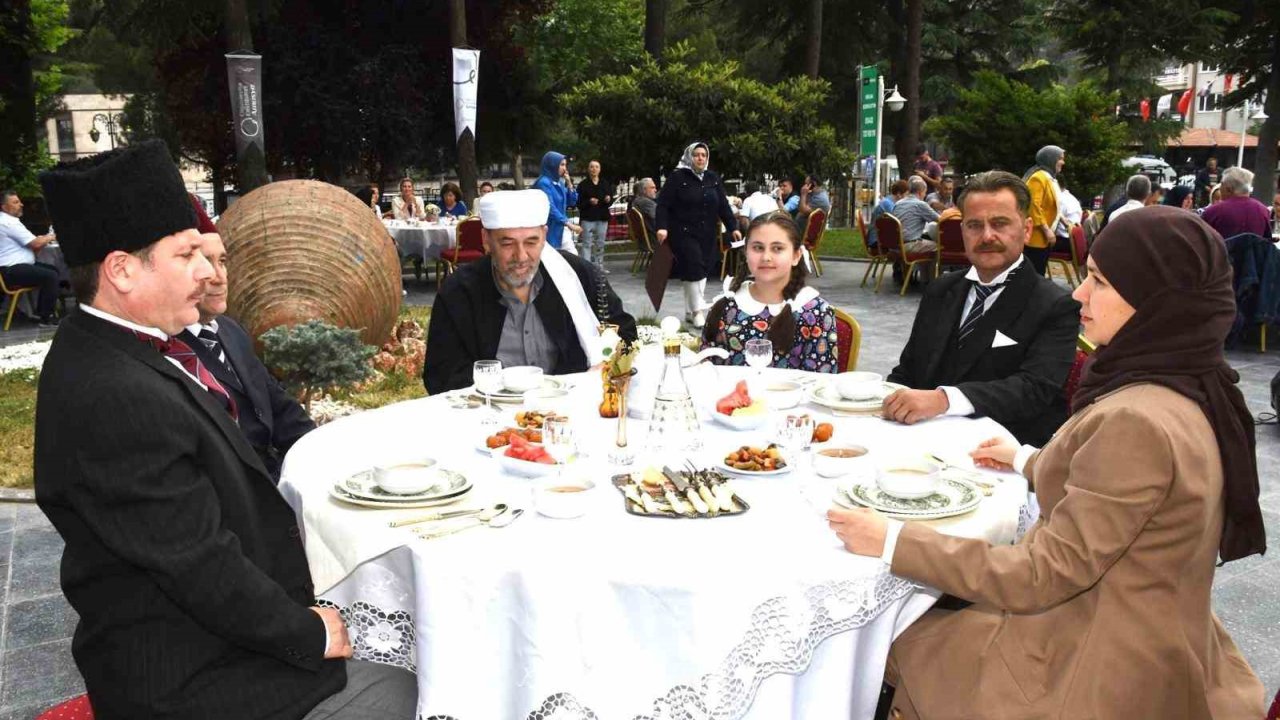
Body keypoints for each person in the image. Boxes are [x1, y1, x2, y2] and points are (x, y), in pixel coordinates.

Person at [830, 206, 1267, 720]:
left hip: (1097, 661)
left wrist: (892, 540)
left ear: (1155, 300)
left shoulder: (1138, 420)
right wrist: (1026, 459)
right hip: (1155, 631)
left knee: (881, 637)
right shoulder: (1195, 384)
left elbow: (1041, 574)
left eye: (1099, 281)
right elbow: (1129, 492)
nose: (1079, 294)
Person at [33, 140, 417, 719]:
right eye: (187, 254)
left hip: (203, 638)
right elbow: (198, 566)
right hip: (190, 677)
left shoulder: (112, 347)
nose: (206, 272)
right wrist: (310, 633)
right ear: (122, 270)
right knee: (409, 687)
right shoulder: (115, 394)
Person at [884, 170, 1080, 446]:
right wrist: (885, 401)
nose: (987, 236)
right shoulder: (940, 290)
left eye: (1000, 223)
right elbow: (908, 370)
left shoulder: (1055, 305)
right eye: (974, 225)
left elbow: (1034, 390)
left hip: (1001, 450)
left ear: (1026, 230)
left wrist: (943, 400)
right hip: (921, 442)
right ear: (962, 231)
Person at [423, 189, 637, 394]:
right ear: (486, 240)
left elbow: (625, 335)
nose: (521, 256)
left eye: (531, 242)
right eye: (507, 243)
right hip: (488, 411)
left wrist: (606, 366)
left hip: (570, 406)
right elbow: (441, 375)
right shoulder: (459, 293)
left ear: (544, 236)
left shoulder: (579, 276)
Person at [176, 224, 315, 482]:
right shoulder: (169, 350)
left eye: (222, 261)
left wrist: (321, 456)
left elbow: (282, 409)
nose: (219, 277)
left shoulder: (231, 330)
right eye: (205, 262)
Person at [702, 212, 837, 372]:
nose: (766, 257)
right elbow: (706, 372)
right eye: (758, 248)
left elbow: (823, 380)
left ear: (796, 256)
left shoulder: (816, 313)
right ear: (746, 253)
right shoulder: (725, 307)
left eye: (777, 248)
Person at [655, 141, 741, 328]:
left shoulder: (712, 178)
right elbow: (663, 204)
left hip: (707, 233)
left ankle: (689, 310)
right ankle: (697, 312)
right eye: (696, 155)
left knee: (700, 270)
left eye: (703, 155)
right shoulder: (677, 177)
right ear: (689, 157)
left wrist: (733, 227)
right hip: (683, 232)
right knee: (694, 267)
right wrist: (661, 227)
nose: (700, 158)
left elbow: (723, 205)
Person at [0, 189, 60, 326]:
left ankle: (41, 312)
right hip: (11, 270)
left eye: (19, 201)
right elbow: (35, 243)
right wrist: (51, 236)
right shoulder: (8, 223)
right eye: (15, 202)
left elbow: (33, 243)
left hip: (14, 268)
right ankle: (45, 318)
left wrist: (41, 240)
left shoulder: (9, 221)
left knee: (53, 271)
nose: (21, 204)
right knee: (50, 276)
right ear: (4, 207)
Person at [1023, 145, 1064, 275]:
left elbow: (1053, 204)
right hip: (1036, 236)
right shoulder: (1038, 178)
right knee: (1035, 272)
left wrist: (1064, 220)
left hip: (1044, 237)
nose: (1063, 162)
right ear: (1051, 159)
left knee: (1039, 270)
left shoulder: (1050, 178)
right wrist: (1046, 230)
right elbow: (1033, 205)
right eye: (1060, 159)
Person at [1201, 166, 1273, 240]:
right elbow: (1267, 241)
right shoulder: (1263, 210)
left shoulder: (1213, 211)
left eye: (1222, 184)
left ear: (1228, 189)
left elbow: (1201, 241)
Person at [532, 150, 581, 251]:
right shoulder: (543, 183)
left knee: (571, 256)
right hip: (548, 228)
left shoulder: (559, 182)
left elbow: (572, 202)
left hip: (560, 228)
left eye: (565, 165)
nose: (565, 168)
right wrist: (569, 224)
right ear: (552, 165)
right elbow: (550, 207)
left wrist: (569, 182)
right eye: (562, 165)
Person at [575, 159, 613, 271]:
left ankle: (599, 266)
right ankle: (586, 268)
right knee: (587, 243)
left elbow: (610, 199)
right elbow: (578, 203)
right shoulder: (583, 185)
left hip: (602, 217)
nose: (594, 169)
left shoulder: (605, 184)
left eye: (596, 167)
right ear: (588, 169)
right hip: (588, 218)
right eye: (591, 167)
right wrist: (589, 202)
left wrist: (608, 199)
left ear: (600, 169)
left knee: (600, 243)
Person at [889, 176, 940, 253]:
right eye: (925, 193)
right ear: (920, 192)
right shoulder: (921, 204)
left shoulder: (898, 203)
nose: (925, 195)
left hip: (895, 245)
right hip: (909, 245)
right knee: (940, 247)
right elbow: (941, 220)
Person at [867, 179, 909, 249]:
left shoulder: (889, 201)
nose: (907, 197)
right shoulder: (888, 204)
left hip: (877, 239)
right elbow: (898, 222)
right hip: (878, 242)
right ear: (899, 194)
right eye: (906, 195)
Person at [630, 177, 658, 245]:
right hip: (655, 239)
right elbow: (661, 217)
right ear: (644, 190)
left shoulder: (637, 201)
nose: (655, 190)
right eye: (652, 188)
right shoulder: (646, 202)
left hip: (644, 241)